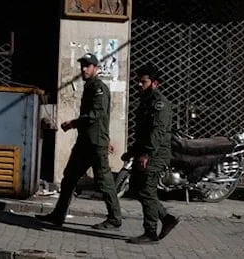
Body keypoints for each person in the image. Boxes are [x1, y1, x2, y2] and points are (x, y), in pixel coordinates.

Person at [35, 53, 122, 230]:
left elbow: (96, 115)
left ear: (95, 68)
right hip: (85, 142)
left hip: (95, 143)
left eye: (88, 65)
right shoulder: (90, 86)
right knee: (69, 178)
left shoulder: (99, 88)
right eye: (82, 65)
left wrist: (73, 123)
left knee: (104, 181)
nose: (84, 69)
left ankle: (115, 218)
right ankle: (58, 215)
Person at [123, 64, 179, 244]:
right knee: (137, 189)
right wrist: (132, 152)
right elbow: (142, 132)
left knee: (147, 190)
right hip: (145, 151)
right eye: (138, 81)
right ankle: (166, 217)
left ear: (155, 83)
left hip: (155, 154)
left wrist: (146, 154)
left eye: (144, 82)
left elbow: (157, 132)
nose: (139, 85)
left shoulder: (159, 104)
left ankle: (150, 232)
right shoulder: (145, 100)